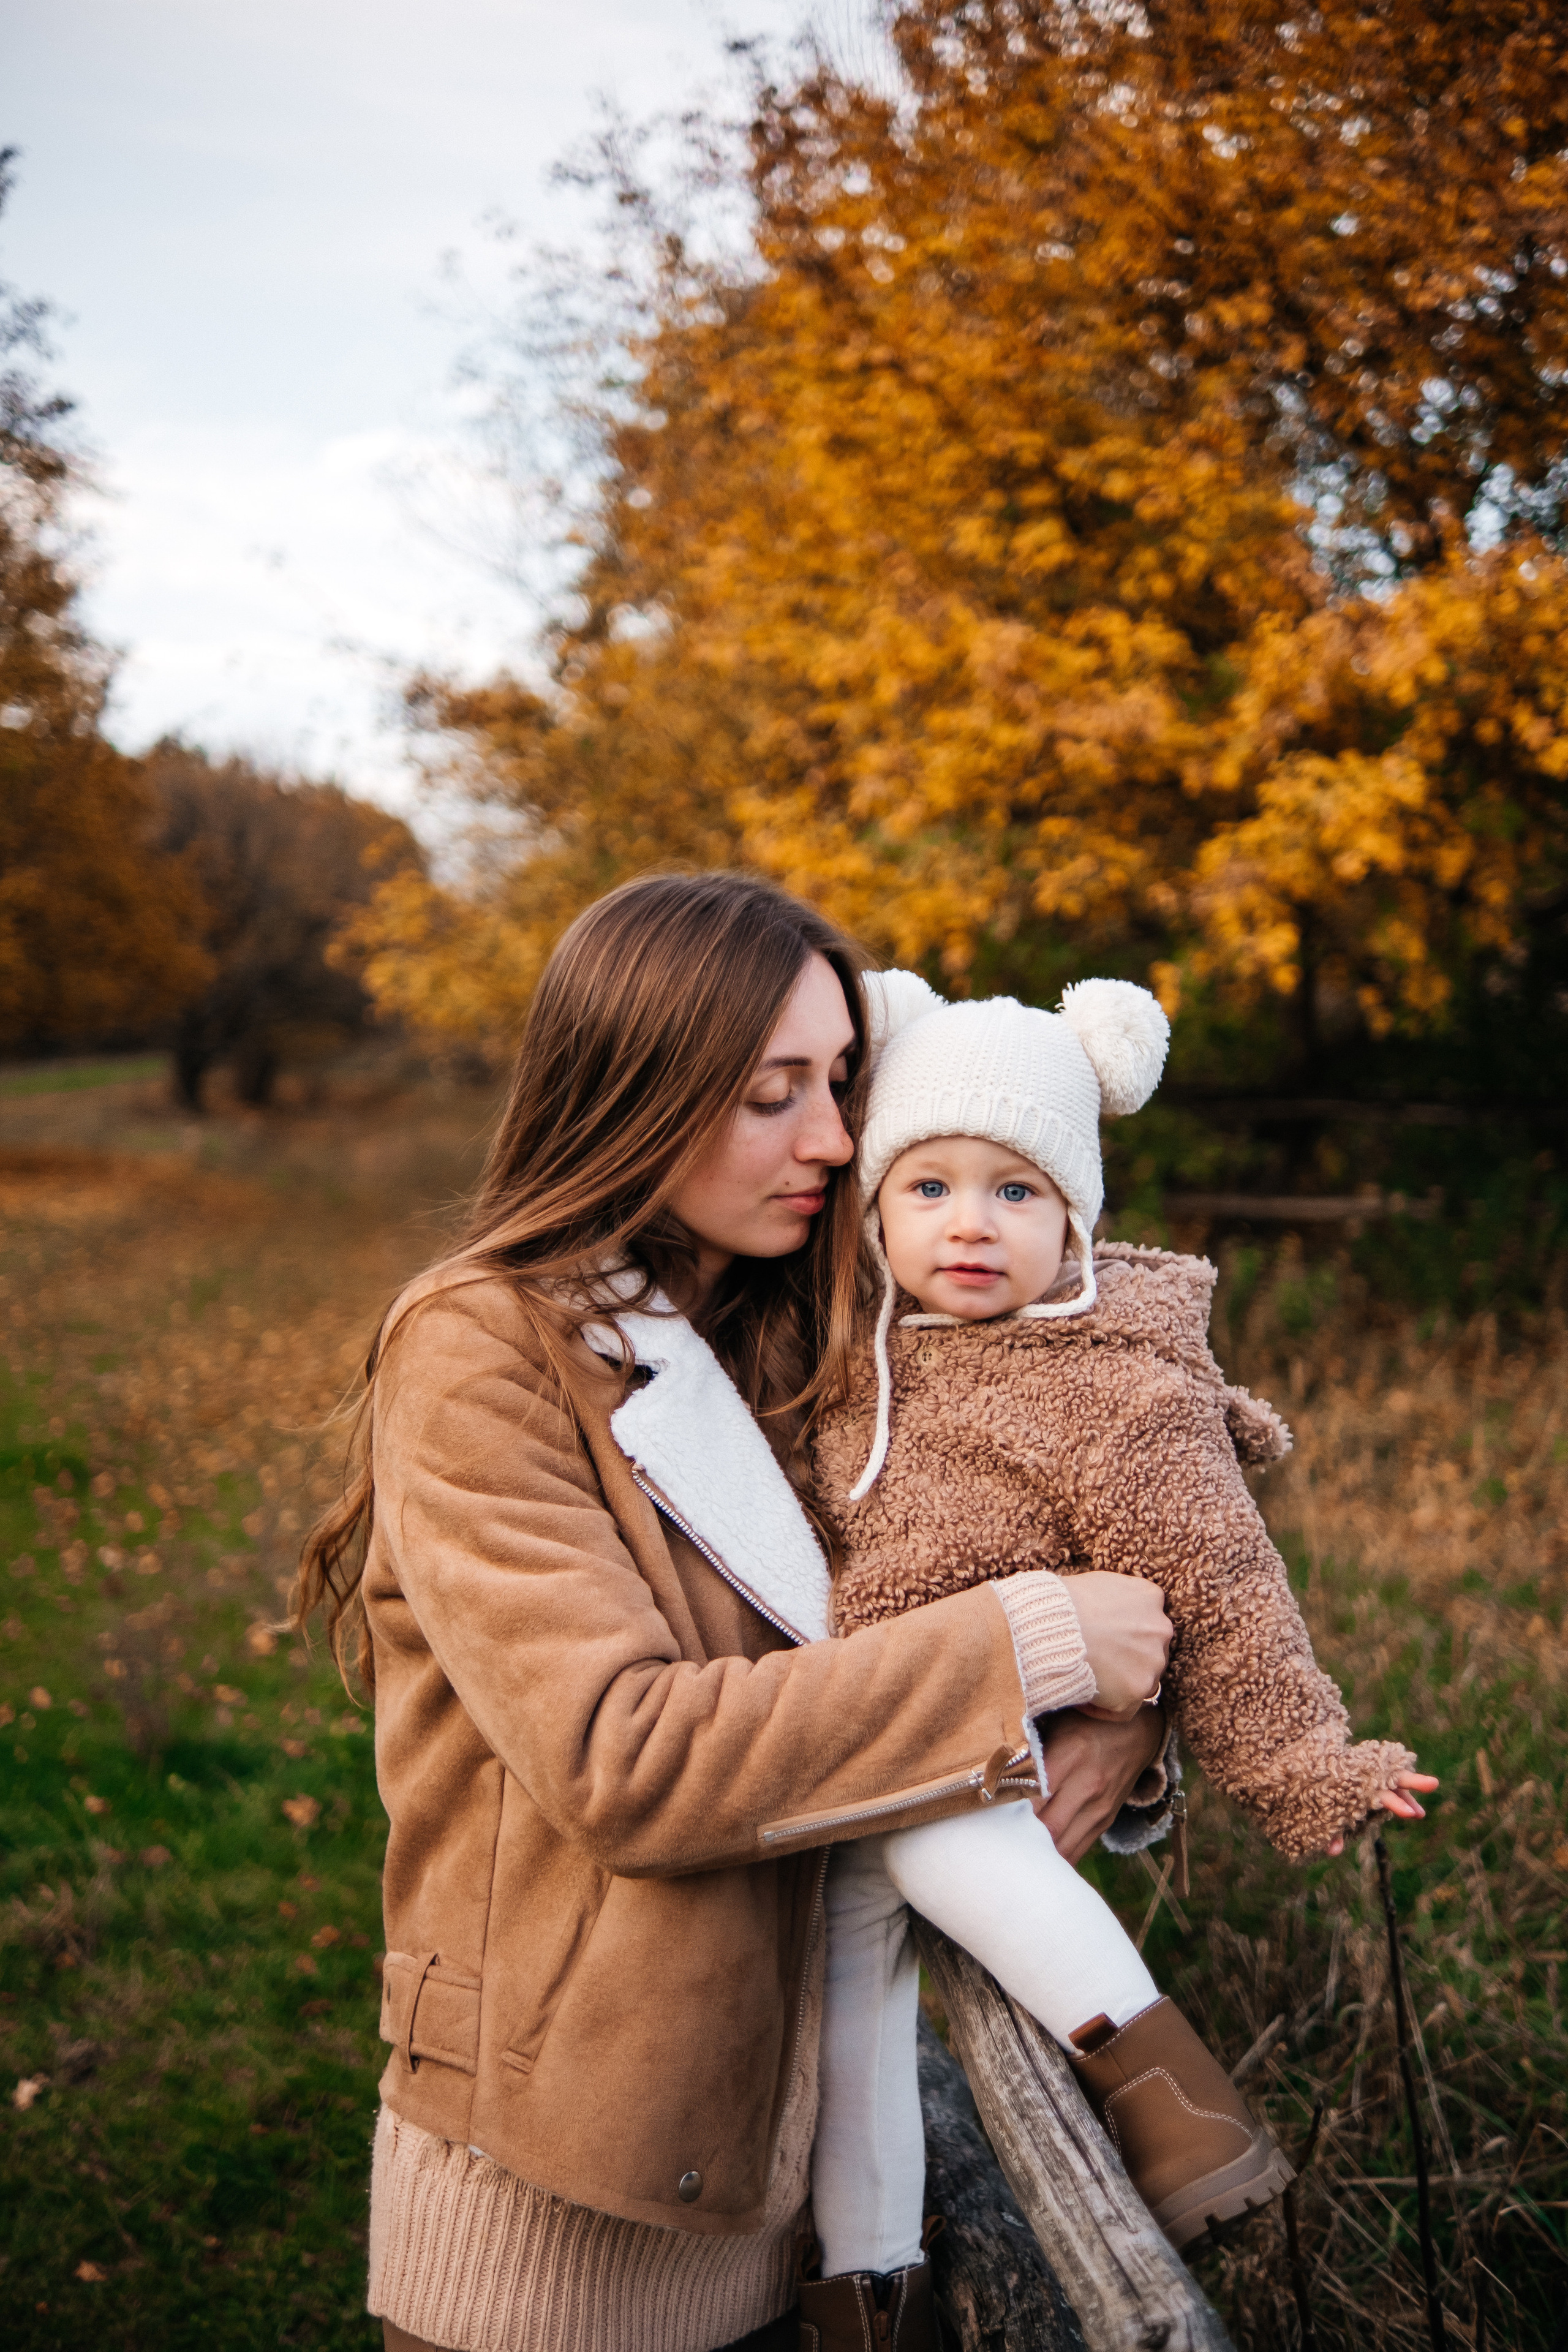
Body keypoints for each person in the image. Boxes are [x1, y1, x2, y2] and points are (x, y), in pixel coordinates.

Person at [294, 876, 1174, 2352]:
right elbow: (624, 1757)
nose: (831, 1138)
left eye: (838, 1084)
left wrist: (1125, 1712)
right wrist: (1030, 1646)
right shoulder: (483, 1349)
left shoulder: (806, 1328)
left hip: (793, 2172)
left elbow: (1075, 1497)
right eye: (774, 1095)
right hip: (555, 2191)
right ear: (634, 1091)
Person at [807, 974, 1439, 2310]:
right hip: (862, 1726)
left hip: (995, 1730)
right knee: (849, 2011)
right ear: (874, 1207)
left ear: (1075, 1216)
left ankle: (1167, 2094)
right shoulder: (851, 1351)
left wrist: (1304, 1763)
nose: (969, 1223)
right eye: (929, 1188)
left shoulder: (1115, 1385)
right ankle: (868, 2288)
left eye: (1016, 1191)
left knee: (931, 1831)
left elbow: (1223, 1584)